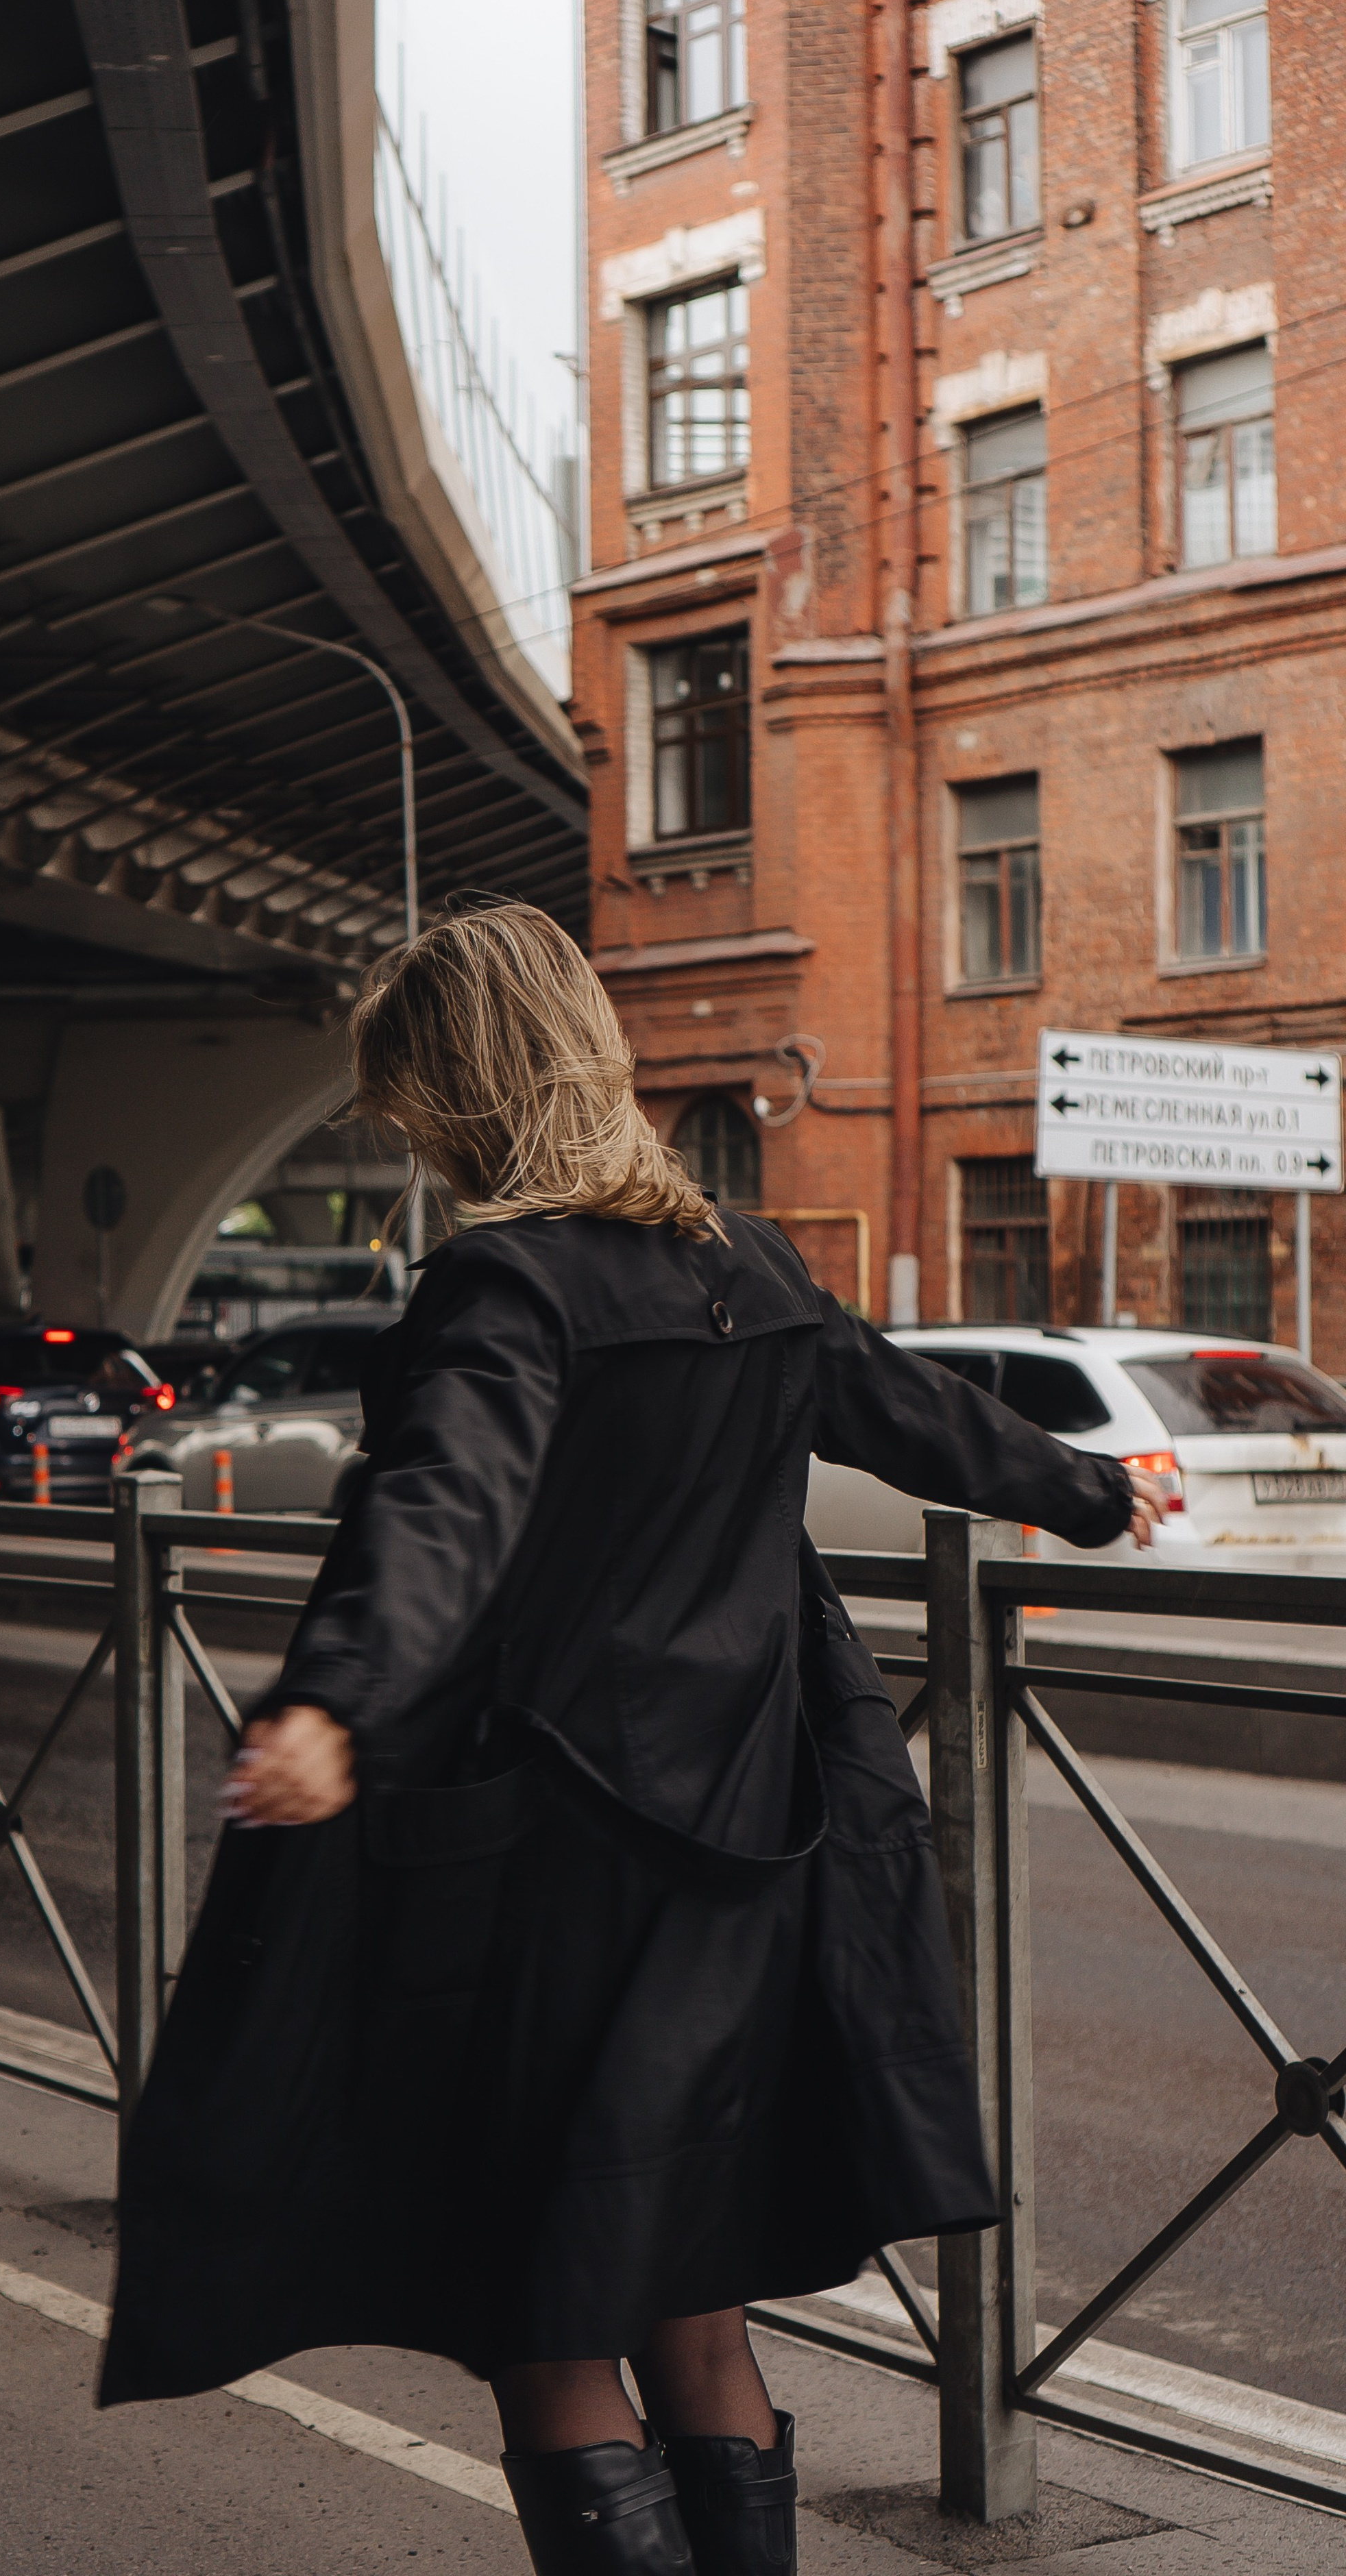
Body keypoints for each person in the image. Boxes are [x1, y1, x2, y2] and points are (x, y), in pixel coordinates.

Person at [100, 904, 1159, 2575]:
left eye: (410, 1104)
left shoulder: (504, 1282)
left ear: (464, 1090)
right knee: (690, 2303)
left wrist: (333, 1701)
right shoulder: (750, 1267)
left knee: (547, 2323)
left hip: (543, 1869)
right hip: (744, 1852)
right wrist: (1093, 1491)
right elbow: (918, 1417)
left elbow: (447, 1500)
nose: (408, 1138)